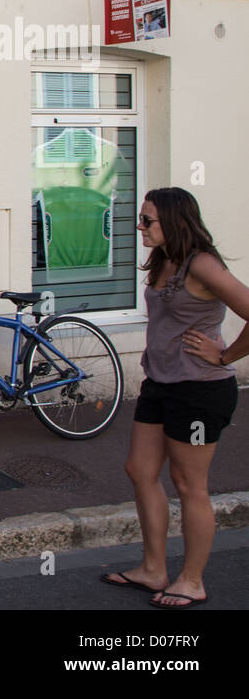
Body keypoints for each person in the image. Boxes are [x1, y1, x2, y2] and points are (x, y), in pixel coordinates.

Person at [102, 188, 247, 608]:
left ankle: (192, 580)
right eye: (141, 219)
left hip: (200, 391)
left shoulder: (202, 264)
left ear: (174, 221)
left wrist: (225, 355)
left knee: (189, 484)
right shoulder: (165, 260)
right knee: (139, 469)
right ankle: (153, 569)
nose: (140, 226)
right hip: (160, 383)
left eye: (148, 220)